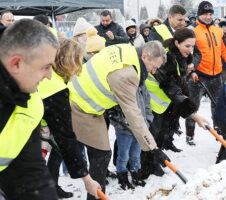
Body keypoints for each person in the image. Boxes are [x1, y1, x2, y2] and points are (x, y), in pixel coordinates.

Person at [68, 41, 170, 200]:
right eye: (154, 67)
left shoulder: (127, 50)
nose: (153, 72)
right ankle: (95, 197)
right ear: (145, 55)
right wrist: (153, 148)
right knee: (101, 155)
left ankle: (96, 194)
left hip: (86, 101)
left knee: (100, 154)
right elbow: (133, 114)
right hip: (80, 105)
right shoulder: (126, 75)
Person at [0, 19, 59, 200]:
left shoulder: (30, 104)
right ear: (16, 63)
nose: (49, 76)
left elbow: (29, 171)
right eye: (46, 67)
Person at [37, 38, 101, 199]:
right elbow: (65, 137)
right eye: (78, 61)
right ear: (70, 62)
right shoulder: (55, 89)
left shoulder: (40, 73)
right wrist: (86, 178)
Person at [141, 28, 209, 178]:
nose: (191, 50)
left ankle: (153, 163)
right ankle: (144, 168)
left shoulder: (181, 55)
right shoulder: (166, 57)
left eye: (193, 46)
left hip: (165, 100)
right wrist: (192, 113)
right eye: (187, 46)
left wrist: (189, 105)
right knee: (151, 133)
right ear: (177, 42)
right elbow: (170, 85)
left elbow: (179, 81)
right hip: (152, 98)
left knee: (160, 133)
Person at [185, 1, 226, 145]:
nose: (208, 17)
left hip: (216, 75)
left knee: (218, 105)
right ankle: (190, 133)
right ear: (199, 14)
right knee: (192, 106)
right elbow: (187, 52)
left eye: (210, 14)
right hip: (198, 75)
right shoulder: (192, 31)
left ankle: (218, 130)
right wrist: (191, 69)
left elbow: (225, 50)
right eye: (205, 14)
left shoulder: (218, 30)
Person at [107, 83, 151, 190]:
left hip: (140, 129)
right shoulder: (120, 86)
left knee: (136, 155)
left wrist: (147, 121)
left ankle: (136, 175)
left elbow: (147, 105)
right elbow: (112, 111)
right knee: (123, 156)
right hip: (124, 131)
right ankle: (122, 178)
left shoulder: (141, 86)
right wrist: (121, 124)